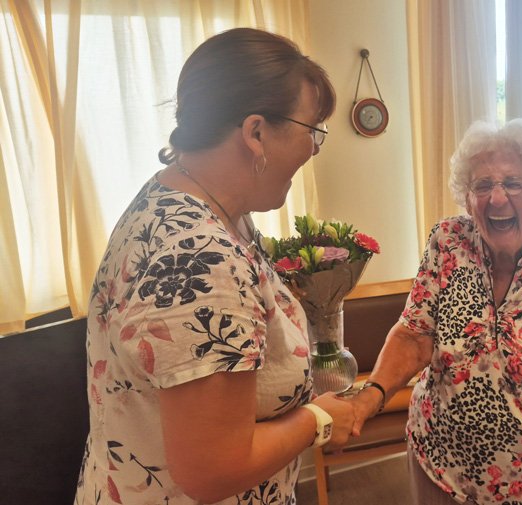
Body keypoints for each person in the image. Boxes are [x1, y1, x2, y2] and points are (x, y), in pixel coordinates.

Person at [75, 28, 358, 505]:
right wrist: (321, 418)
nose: (314, 148)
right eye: (313, 130)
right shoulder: (198, 260)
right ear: (255, 132)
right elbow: (214, 469)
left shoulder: (202, 208)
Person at [353, 119, 522, 504]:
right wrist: (372, 394)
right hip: (444, 465)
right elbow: (414, 333)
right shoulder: (447, 243)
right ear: (467, 197)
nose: (497, 199)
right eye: (482, 185)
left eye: (513, 183)